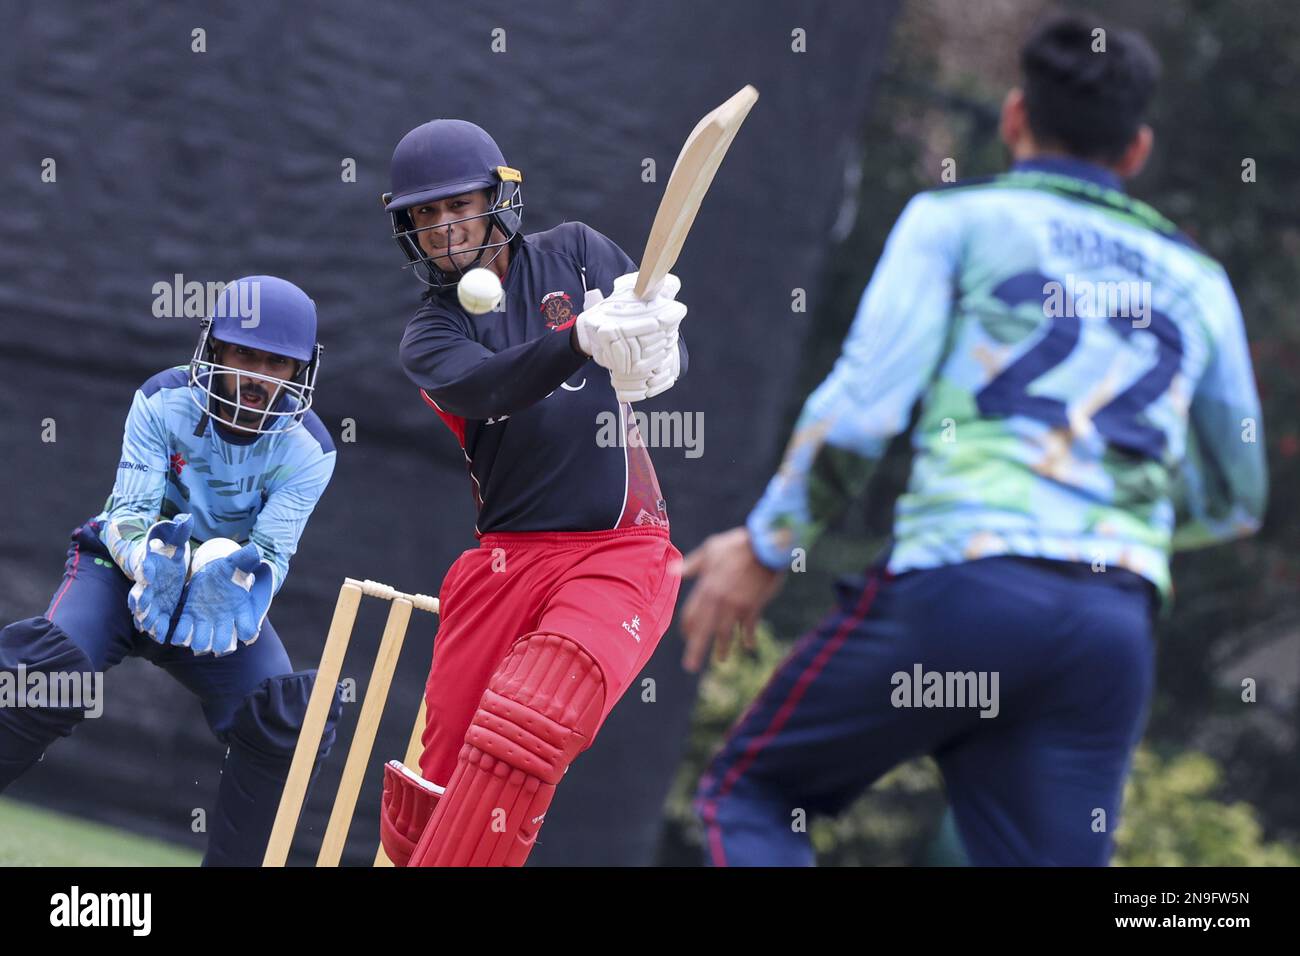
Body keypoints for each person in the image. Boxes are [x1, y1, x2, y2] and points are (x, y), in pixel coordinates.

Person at [677, 13, 1268, 866]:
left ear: (1015, 117)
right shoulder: (1200, 283)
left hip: (963, 585)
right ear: (1136, 152)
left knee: (756, 795)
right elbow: (1237, 495)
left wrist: (770, 546)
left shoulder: (954, 221)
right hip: (1111, 626)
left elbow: (864, 413)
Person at [376, 119, 688, 866]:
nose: (445, 229)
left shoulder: (576, 252)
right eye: (425, 215)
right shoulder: (431, 335)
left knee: (534, 715)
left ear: (498, 199)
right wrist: (580, 339)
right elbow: (492, 387)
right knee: (434, 798)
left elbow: (658, 343)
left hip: (619, 549)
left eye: (458, 206)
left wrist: (661, 350)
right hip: (505, 565)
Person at [0, 276, 342, 866]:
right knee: (46, 672)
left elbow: (272, 555)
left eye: (276, 363)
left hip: (214, 600)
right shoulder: (163, 400)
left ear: (300, 370)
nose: (258, 376)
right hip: (120, 569)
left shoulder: (310, 450)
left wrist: (237, 586)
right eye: (245, 354)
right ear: (213, 349)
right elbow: (128, 514)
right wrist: (149, 561)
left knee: (285, 723)